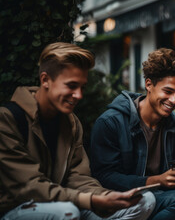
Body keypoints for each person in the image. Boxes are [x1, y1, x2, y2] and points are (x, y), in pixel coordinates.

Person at [0, 42, 155, 220]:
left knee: (145, 200)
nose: (79, 95)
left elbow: (78, 177)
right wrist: (90, 200)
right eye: (71, 86)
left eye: (82, 87)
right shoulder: (7, 119)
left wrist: (103, 196)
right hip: (17, 208)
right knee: (67, 213)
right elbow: (29, 187)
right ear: (45, 80)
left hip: (66, 201)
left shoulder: (71, 122)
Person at [89, 48, 175, 220]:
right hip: (120, 199)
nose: (174, 101)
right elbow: (104, 176)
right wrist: (155, 180)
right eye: (168, 91)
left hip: (160, 196)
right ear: (149, 84)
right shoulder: (111, 122)